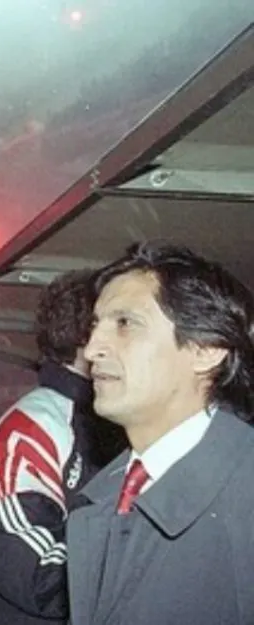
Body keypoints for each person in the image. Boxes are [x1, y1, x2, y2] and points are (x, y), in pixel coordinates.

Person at [68, 242, 254, 624]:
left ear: (206, 349)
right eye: (95, 326)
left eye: (125, 323)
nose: (91, 349)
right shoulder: (105, 494)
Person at [0, 270, 107, 625]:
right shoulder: (29, 432)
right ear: (88, 336)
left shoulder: (95, 422)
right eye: (122, 324)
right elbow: (39, 575)